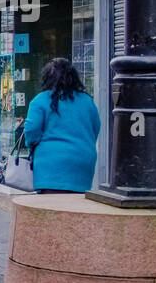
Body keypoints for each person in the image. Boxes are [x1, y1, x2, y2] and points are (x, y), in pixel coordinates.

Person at [24, 57, 101, 194]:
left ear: (47, 78)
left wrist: (32, 148)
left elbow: (31, 131)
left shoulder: (41, 100)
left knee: (50, 210)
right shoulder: (88, 101)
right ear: (74, 78)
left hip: (50, 165)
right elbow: (95, 129)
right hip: (83, 162)